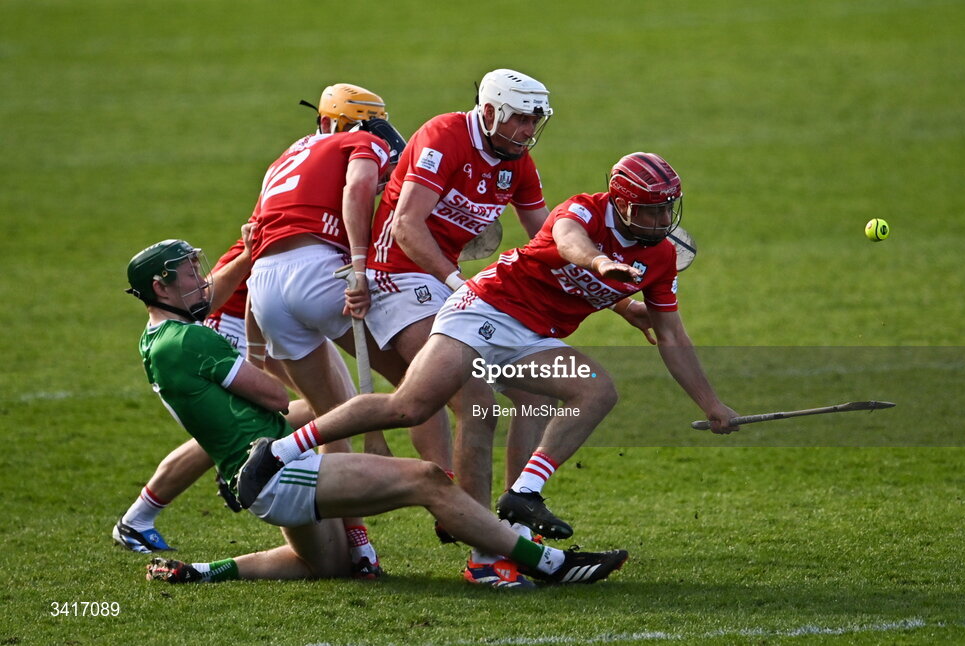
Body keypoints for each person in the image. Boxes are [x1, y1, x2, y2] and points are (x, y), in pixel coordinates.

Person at [238, 152, 739, 548]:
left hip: (533, 337)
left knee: (596, 390)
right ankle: (278, 452)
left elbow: (672, 336)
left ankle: (522, 496)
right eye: (649, 208)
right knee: (410, 405)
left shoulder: (662, 254)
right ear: (621, 202)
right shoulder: (585, 210)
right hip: (482, 310)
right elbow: (566, 240)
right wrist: (601, 263)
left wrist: (712, 405)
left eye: (666, 208)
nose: (660, 218)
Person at [125, 239, 627, 589]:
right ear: (160, 287)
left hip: (255, 480)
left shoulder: (154, 342)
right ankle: (551, 564)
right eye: (190, 273)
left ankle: (199, 572)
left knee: (323, 566)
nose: (201, 279)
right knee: (428, 480)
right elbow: (275, 398)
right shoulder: (190, 338)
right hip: (279, 473)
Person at [363, 69, 595, 585]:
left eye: (536, 121)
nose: (527, 130)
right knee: (475, 402)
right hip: (396, 280)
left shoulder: (519, 162)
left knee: (533, 387)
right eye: (519, 119)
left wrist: (617, 293)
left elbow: (550, 242)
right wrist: (457, 282)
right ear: (489, 112)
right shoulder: (444, 135)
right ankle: (484, 555)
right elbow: (405, 226)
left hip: (446, 288)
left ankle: (516, 517)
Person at [244, 83, 414, 577]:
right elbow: (359, 187)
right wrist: (359, 264)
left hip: (267, 287)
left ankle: (358, 544)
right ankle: (456, 501)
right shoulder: (362, 140)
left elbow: (254, 241)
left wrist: (255, 345)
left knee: (330, 422)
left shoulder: (284, 158)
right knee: (425, 382)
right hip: (321, 272)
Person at [111, 234, 317, 554]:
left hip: (264, 315)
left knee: (326, 407)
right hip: (238, 321)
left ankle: (141, 518)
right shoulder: (183, 328)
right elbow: (204, 293)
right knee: (328, 406)